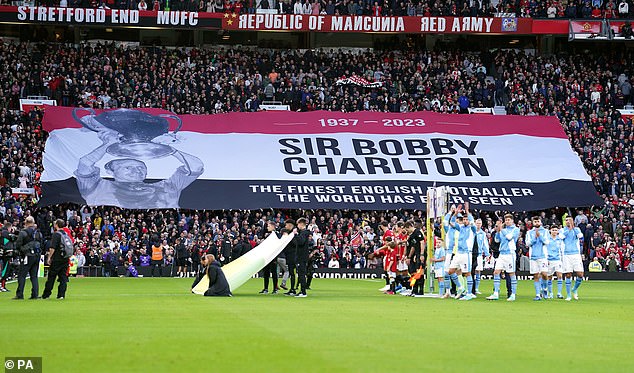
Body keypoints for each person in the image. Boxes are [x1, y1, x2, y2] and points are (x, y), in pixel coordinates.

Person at [75, 128, 204, 209]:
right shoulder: (98, 187)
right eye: (128, 167)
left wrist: (171, 150)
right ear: (110, 171)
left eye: (141, 168)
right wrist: (107, 144)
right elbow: (85, 164)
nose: (136, 171)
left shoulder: (167, 187)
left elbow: (196, 166)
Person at [446, 203, 477, 301]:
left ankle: (469, 293)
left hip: (466, 253)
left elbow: (472, 222)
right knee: (450, 271)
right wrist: (455, 214)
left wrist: (467, 211)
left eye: (467, 219)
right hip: (458, 253)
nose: (465, 221)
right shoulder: (461, 228)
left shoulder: (472, 229)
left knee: (467, 273)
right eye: (464, 219)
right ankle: (460, 287)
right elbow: (451, 222)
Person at [487, 214, 520, 301]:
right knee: (496, 272)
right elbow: (497, 240)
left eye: (509, 220)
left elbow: (509, 237)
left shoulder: (515, 229)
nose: (507, 221)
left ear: (512, 221)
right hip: (502, 254)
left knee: (511, 273)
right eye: (506, 220)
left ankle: (513, 294)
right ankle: (496, 293)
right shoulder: (503, 230)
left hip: (510, 254)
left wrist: (501, 229)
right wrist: (498, 231)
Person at [13, 217, 43, 300]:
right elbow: (42, 244)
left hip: (27, 256)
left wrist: (21, 251)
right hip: (37, 255)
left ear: (26, 223)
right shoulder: (38, 233)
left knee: (22, 275)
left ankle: (20, 294)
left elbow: (18, 244)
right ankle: (35, 294)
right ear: (33, 222)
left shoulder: (23, 233)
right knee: (34, 276)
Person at [42, 219, 71, 300]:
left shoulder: (56, 235)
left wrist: (49, 257)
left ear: (57, 225)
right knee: (63, 278)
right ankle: (61, 295)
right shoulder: (66, 234)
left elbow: (53, 247)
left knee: (51, 277)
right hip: (65, 258)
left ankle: (46, 294)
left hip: (57, 259)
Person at [560, 217, 585, 301]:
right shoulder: (563, 230)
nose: (567, 222)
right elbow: (561, 237)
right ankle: (568, 295)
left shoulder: (576, 229)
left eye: (569, 220)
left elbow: (580, 236)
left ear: (572, 221)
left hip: (576, 254)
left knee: (580, 274)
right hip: (566, 254)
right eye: (566, 220)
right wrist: (569, 229)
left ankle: (574, 289)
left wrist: (573, 229)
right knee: (568, 274)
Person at [525, 216, 550, 301]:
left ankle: (545, 289)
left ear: (540, 222)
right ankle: (537, 294)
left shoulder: (545, 231)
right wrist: (534, 238)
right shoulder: (529, 232)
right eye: (535, 222)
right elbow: (527, 244)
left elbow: (547, 242)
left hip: (543, 256)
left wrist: (540, 236)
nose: (536, 223)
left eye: (538, 221)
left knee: (544, 274)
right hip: (533, 257)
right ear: (533, 223)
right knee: (536, 275)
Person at [405, 219, 425, 296]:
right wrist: (409, 256)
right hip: (415, 254)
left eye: (407, 229)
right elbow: (413, 246)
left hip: (419, 254)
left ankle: (421, 289)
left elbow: (422, 242)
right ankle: (415, 289)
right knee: (414, 273)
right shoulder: (412, 234)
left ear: (410, 227)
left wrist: (421, 254)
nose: (406, 231)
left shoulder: (417, 232)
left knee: (419, 271)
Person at [259, 221, 280, 294]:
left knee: (274, 273)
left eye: (268, 226)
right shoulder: (268, 235)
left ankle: (275, 289)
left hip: (273, 257)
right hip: (267, 256)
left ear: (273, 226)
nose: (267, 227)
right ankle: (266, 288)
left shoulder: (276, 234)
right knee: (266, 273)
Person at [546, 226, 565, 299]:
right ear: (550, 231)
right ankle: (550, 293)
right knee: (549, 277)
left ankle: (559, 293)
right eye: (553, 230)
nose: (554, 231)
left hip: (557, 259)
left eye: (556, 230)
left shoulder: (560, 240)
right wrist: (546, 259)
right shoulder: (547, 239)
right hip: (549, 260)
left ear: (558, 231)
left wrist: (562, 259)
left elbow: (562, 250)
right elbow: (545, 249)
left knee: (559, 275)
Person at [294, 218, 311, 298]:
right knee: (301, 274)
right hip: (302, 256)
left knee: (301, 274)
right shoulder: (304, 233)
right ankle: (301, 290)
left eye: (298, 224)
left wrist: (296, 234)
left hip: (302, 257)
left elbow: (301, 242)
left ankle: (303, 292)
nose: (297, 226)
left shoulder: (303, 233)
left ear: (301, 224)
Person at [282, 219, 298, 296]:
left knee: (292, 273)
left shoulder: (294, 233)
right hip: (289, 256)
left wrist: (289, 237)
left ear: (290, 225)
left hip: (293, 256)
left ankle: (293, 289)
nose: (285, 226)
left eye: (286, 225)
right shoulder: (290, 233)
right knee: (291, 273)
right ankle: (292, 289)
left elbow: (295, 243)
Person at [473, 218, 490, 295]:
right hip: (471, 254)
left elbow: (485, 244)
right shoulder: (471, 231)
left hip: (479, 254)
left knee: (478, 271)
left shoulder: (482, 234)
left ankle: (476, 288)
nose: (478, 225)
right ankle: (469, 287)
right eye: (477, 223)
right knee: (470, 271)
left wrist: (487, 254)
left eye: (480, 223)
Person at [377, 221, 394, 292]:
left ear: (382, 226)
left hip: (389, 253)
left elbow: (389, 244)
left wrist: (379, 249)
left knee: (388, 270)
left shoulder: (388, 233)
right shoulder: (388, 232)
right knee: (386, 270)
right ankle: (388, 285)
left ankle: (389, 285)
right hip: (387, 253)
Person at [0, 221, 17, 292]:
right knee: (4, 270)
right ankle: (2, 286)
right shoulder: (5, 233)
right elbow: (14, 238)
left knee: (4, 270)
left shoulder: (3, 233)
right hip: (5, 254)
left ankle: (2, 286)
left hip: (4, 253)